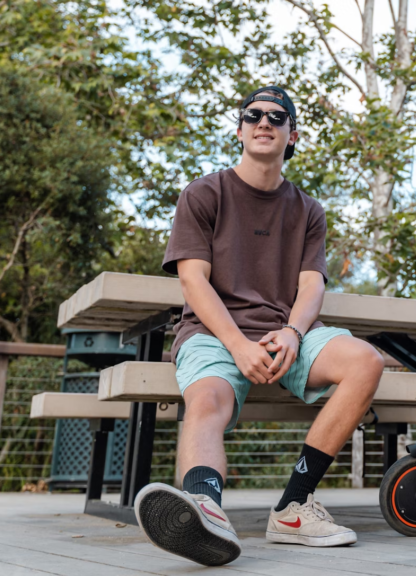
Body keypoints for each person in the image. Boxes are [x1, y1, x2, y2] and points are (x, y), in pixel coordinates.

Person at [133, 86, 384, 567]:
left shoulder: (308, 210)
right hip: (212, 334)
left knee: (365, 361)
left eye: (276, 116)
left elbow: (311, 285)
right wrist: (236, 345)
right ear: (240, 129)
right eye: (252, 115)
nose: (263, 121)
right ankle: (204, 511)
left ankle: (292, 508)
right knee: (206, 399)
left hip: (283, 335)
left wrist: (292, 331)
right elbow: (193, 280)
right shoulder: (204, 193)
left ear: (293, 134)